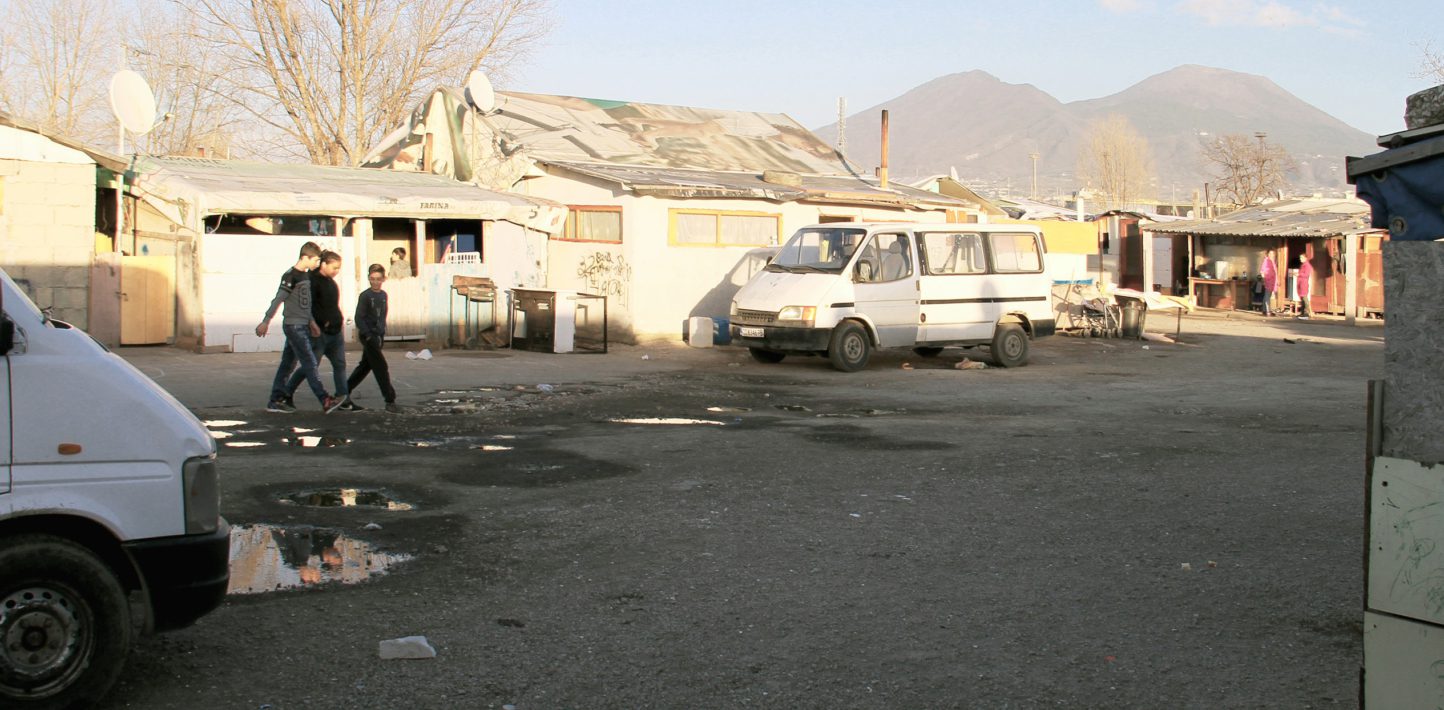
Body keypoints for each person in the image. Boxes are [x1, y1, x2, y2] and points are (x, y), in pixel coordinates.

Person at [257, 242, 341, 414]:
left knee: (288, 364)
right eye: (315, 260)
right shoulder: (291, 276)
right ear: (305, 257)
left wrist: (311, 322)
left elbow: (306, 304)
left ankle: (276, 400)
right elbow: (278, 299)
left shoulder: (305, 276)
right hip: (294, 326)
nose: (317, 263)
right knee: (310, 362)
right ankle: (324, 399)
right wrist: (266, 321)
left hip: (303, 324)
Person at [281, 251, 350, 409]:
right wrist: (316, 324)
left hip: (335, 332)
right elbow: (307, 307)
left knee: (340, 364)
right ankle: (287, 393)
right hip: (319, 333)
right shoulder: (311, 281)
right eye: (334, 267)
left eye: (338, 268)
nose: (336, 271)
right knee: (310, 367)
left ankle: (343, 398)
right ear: (323, 264)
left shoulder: (331, 283)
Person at [347, 263, 401, 413]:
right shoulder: (365, 296)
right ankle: (390, 400)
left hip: (378, 336)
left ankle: (343, 392)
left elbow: (382, 316)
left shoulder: (383, 295)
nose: (375, 282)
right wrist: (368, 335)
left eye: (378, 279)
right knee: (381, 367)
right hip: (368, 336)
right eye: (372, 279)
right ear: (369, 279)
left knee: (364, 366)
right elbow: (359, 318)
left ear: (383, 279)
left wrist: (381, 333)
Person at [1259, 249, 1278, 317]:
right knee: (1267, 295)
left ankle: (1264, 310)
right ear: (1268, 254)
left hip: (1273, 280)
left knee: (1267, 295)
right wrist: (1265, 278)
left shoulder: (1272, 261)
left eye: (1273, 254)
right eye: (1270, 253)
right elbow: (1262, 270)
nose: (1272, 255)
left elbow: (1275, 272)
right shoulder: (1266, 261)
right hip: (1269, 280)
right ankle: (1268, 311)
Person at [1296, 253, 1314, 320]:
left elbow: (1306, 274)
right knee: (1302, 298)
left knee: (1304, 297)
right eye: (1300, 258)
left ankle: (1306, 312)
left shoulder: (1307, 265)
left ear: (1305, 258)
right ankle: (1302, 312)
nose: (1300, 259)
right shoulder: (1303, 265)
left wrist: (1299, 274)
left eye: (1302, 258)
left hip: (1304, 283)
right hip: (1300, 282)